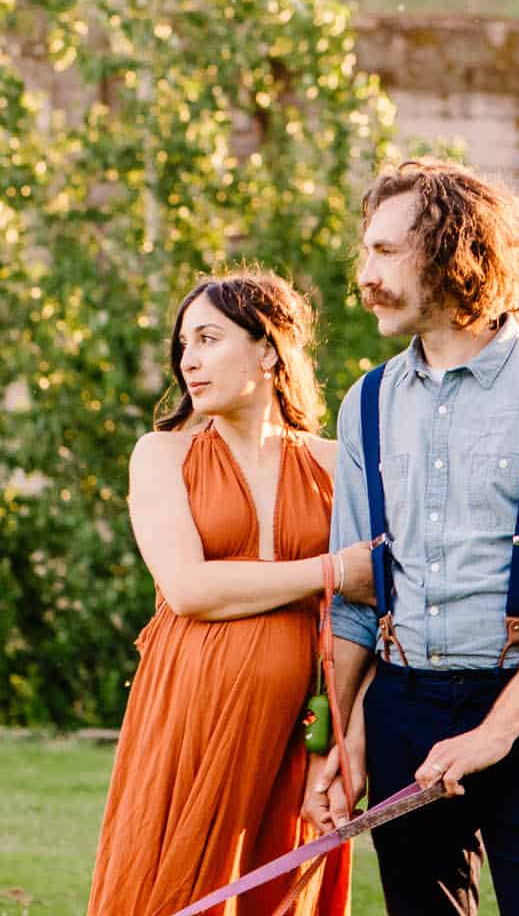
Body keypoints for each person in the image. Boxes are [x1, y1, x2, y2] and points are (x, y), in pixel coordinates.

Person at [306, 159, 519, 916]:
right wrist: (345, 735)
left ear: (454, 250)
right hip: (400, 704)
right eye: (366, 251)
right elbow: (358, 597)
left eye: (385, 253)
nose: (365, 274)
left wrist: (494, 732)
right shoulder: (368, 403)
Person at [87, 268, 376, 916]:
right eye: (183, 345)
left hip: (300, 726)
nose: (189, 360)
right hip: (192, 710)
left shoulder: (335, 463)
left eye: (209, 339)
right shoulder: (161, 455)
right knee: (172, 886)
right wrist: (329, 571)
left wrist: (343, 740)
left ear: (269, 347)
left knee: (277, 892)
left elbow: (372, 610)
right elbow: (188, 588)